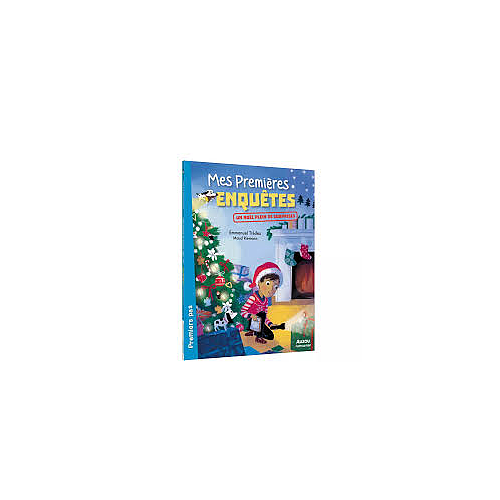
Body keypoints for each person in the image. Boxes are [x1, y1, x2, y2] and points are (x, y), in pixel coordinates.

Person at [241, 262, 285, 344]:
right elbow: (243, 311)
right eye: (268, 283)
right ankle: (258, 336)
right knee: (261, 314)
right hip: (250, 321)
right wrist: (251, 315)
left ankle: (254, 332)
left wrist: (270, 324)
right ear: (259, 283)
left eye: (275, 287)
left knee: (270, 336)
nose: (271, 289)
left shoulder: (265, 301)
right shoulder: (253, 298)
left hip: (259, 323)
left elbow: (265, 317)